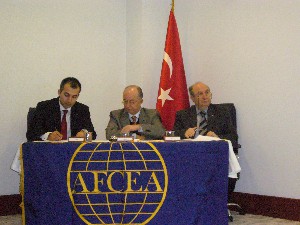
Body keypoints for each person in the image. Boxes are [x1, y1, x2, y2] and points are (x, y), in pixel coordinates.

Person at [26, 77, 97, 141]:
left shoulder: (82, 110)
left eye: (74, 97)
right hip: (51, 151)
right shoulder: (44, 107)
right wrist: (48, 136)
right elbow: (30, 134)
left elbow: (93, 135)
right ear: (59, 92)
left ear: (78, 96)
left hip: (73, 151)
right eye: (66, 95)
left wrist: (86, 135)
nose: (69, 100)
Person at [173, 82, 237, 146]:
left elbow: (233, 137)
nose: (205, 97)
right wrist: (184, 133)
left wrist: (217, 138)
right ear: (192, 98)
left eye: (207, 92)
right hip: (191, 152)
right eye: (200, 94)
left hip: (214, 152)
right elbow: (172, 136)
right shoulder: (183, 115)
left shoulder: (222, 112)